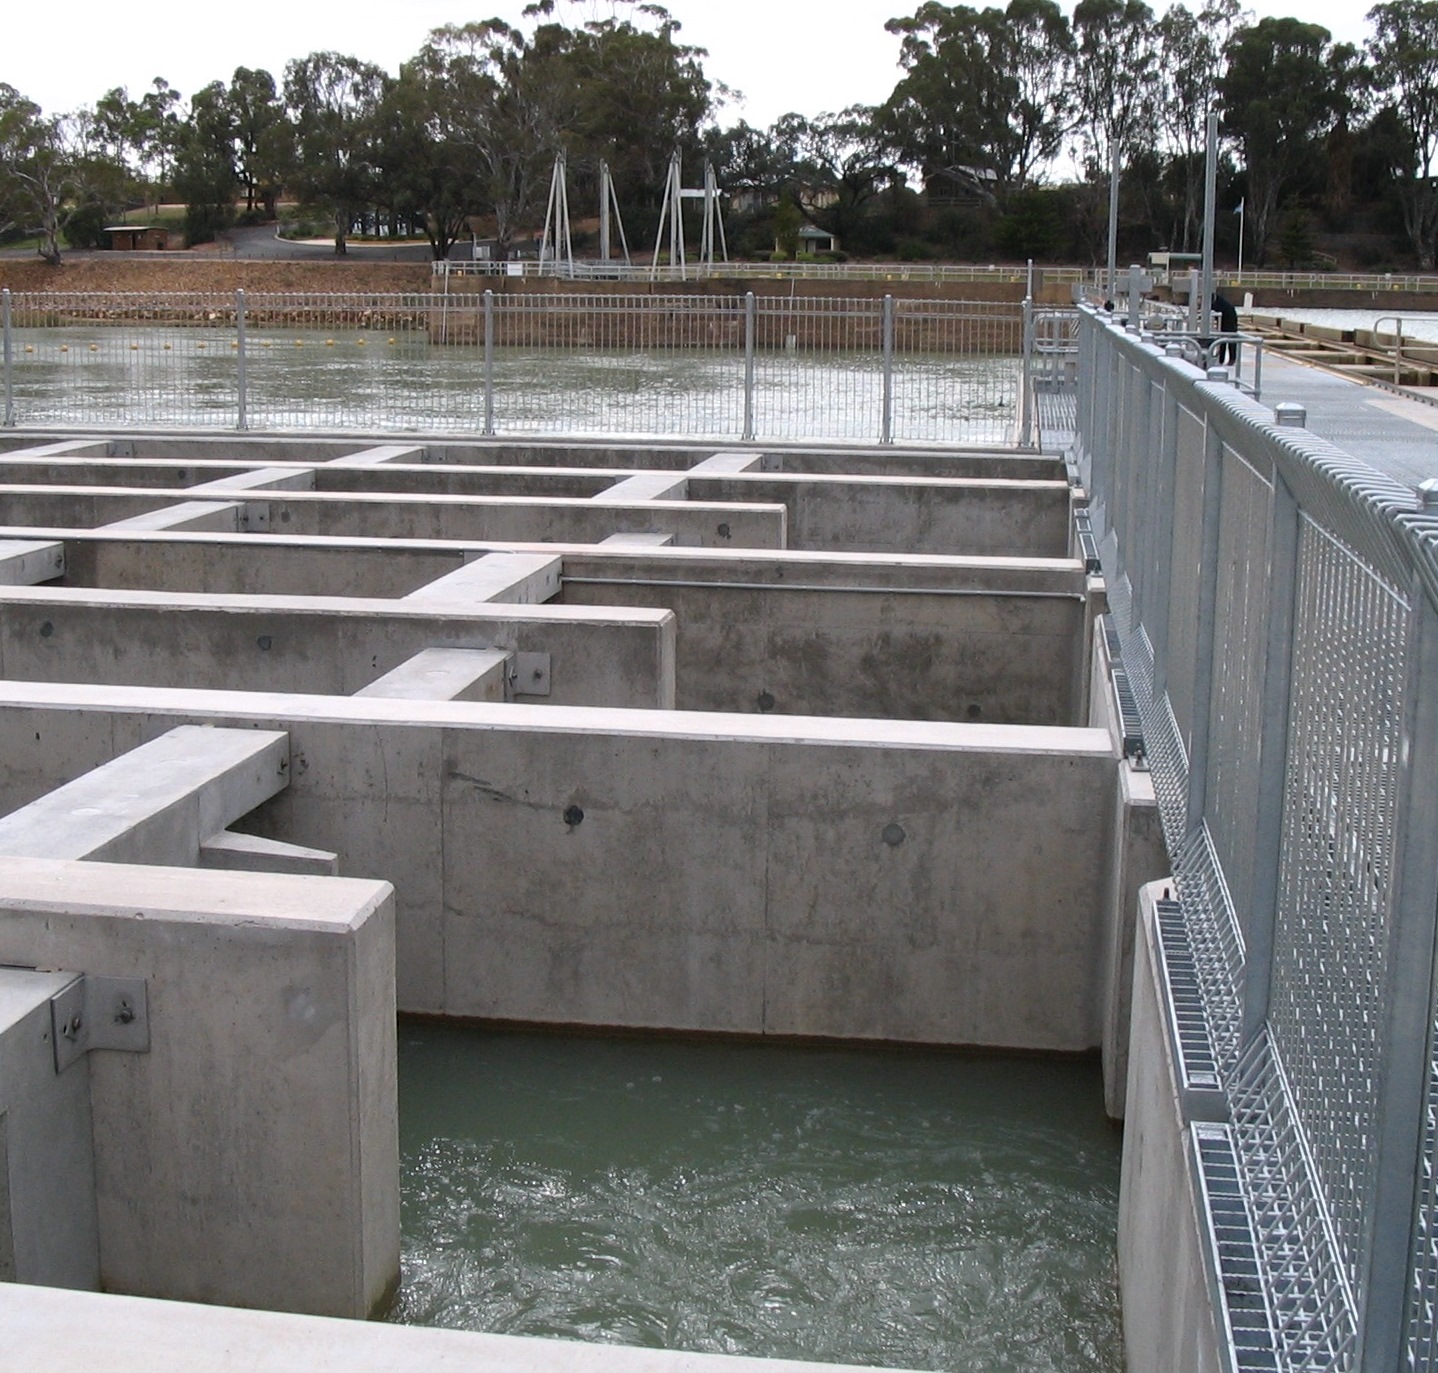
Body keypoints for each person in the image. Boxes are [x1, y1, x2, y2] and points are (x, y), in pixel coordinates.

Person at [1212, 292, 1239, 365]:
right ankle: (1225, 359)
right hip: (1226, 320)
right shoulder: (1220, 301)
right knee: (1224, 341)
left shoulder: (1217, 302)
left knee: (1228, 341)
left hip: (1228, 320)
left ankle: (1225, 359)